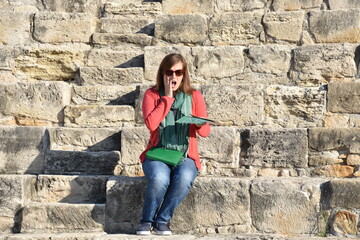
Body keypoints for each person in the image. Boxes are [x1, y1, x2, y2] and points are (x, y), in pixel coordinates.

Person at [136, 53, 211, 235]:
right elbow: (151, 124)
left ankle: (162, 220)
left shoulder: (194, 96)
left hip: (185, 154)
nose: (174, 77)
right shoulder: (152, 95)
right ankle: (146, 221)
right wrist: (167, 99)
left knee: (184, 178)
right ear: (162, 73)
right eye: (169, 72)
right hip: (158, 153)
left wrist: (199, 123)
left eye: (178, 72)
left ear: (184, 74)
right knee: (160, 179)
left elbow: (205, 132)